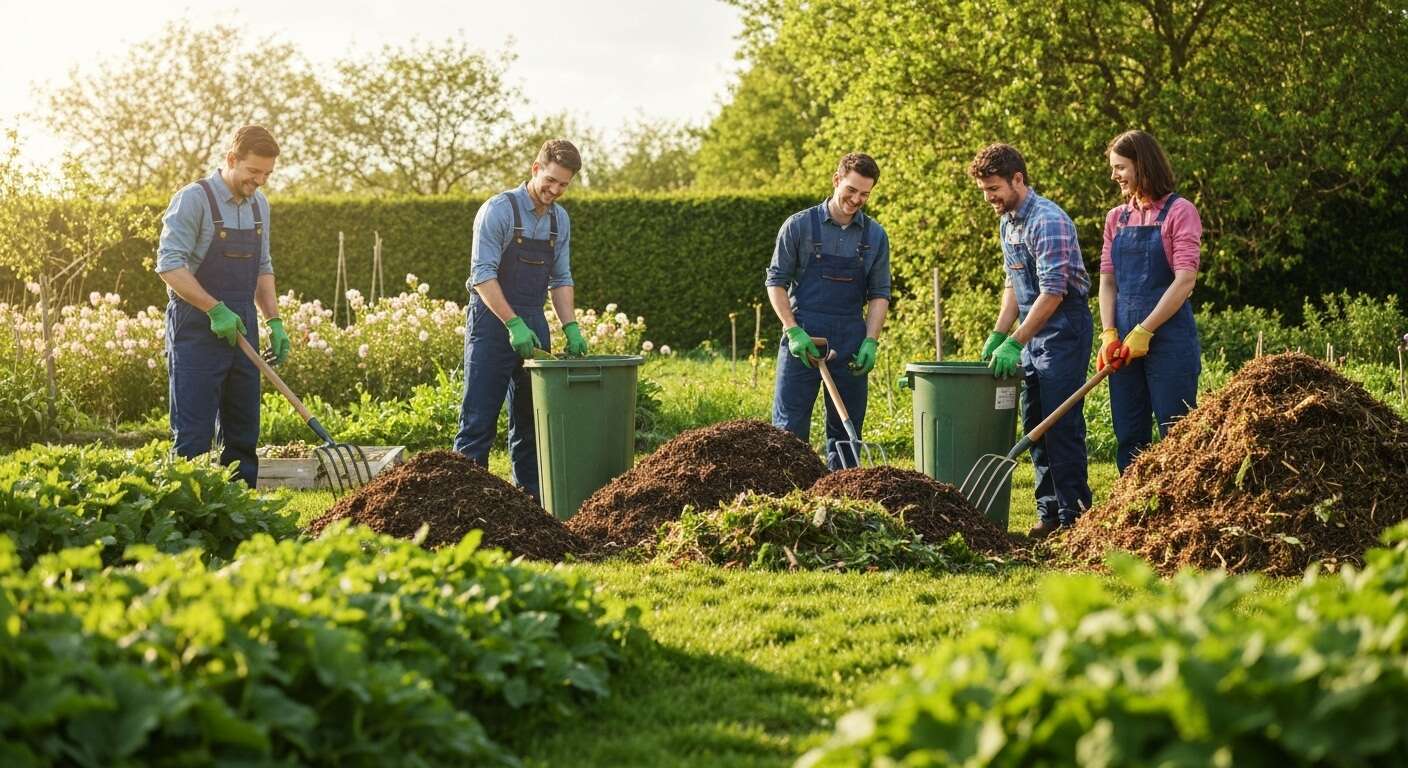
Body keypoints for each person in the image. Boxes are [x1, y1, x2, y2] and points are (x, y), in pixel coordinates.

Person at [969, 143, 1093, 539]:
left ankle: (1075, 517)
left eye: (994, 189)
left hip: (1064, 329)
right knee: (1035, 424)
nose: (989, 198)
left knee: (1060, 423)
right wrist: (999, 333)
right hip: (1032, 332)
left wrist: (1015, 341)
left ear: (1018, 179)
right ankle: (1049, 513)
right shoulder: (1008, 223)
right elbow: (1013, 283)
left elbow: (1053, 293)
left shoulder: (1047, 220)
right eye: (984, 190)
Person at [454, 139, 588, 502]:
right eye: (550, 180)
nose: (555, 190)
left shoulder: (559, 220)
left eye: (563, 185)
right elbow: (482, 275)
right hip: (491, 323)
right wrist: (513, 324)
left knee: (532, 424)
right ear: (535, 169)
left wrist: (570, 327)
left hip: (534, 322)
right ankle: (464, 506)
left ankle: (530, 505)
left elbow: (561, 278)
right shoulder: (498, 211)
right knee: (478, 422)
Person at [156, 125, 289, 488]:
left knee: (243, 430)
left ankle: (240, 507)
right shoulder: (193, 199)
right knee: (194, 434)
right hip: (196, 325)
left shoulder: (260, 205)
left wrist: (274, 321)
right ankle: (189, 509)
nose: (259, 181)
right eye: (253, 171)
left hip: (242, 321)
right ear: (231, 159)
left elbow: (262, 268)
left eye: (267, 174)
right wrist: (214, 308)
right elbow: (169, 265)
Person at [766, 152, 891, 470]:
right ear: (836, 180)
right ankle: (790, 491)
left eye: (865, 194)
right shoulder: (799, 226)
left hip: (850, 338)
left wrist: (871, 340)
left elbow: (879, 294)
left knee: (846, 432)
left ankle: (843, 491)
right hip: (804, 336)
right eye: (851, 190)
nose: (856, 199)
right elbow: (776, 282)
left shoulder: (875, 236)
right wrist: (792, 330)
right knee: (789, 427)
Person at [1096, 129, 1202, 473]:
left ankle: (1178, 501)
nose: (1114, 175)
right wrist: (1109, 333)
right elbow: (1107, 281)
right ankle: (1132, 501)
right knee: (1129, 432)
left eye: (1120, 167)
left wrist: (1146, 329)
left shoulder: (1180, 211)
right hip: (1123, 342)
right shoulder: (1116, 218)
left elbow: (1185, 280)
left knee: (1177, 431)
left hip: (1169, 339)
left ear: (1142, 165)